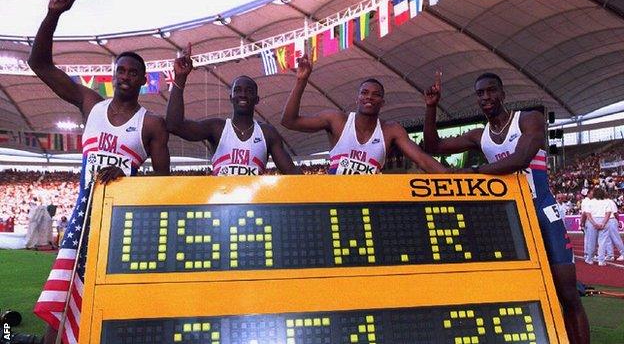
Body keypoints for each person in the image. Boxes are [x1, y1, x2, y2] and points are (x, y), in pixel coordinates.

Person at [28, 0, 170, 343]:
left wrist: (124, 184)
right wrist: (52, 15)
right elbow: (40, 64)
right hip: (82, 218)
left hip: (122, 228)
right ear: (113, 74)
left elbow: (163, 185)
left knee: (111, 308)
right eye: (120, 70)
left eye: (132, 72)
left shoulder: (150, 124)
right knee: (61, 306)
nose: (125, 76)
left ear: (142, 80)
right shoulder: (90, 103)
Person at [422, 72, 589, 344]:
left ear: (503, 94)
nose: (486, 97)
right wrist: (431, 108)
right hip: (510, 218)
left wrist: (473, 172)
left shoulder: (528, 119)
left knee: (567, 295)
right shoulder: (481, 135)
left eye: (491, 91)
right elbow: (434, 146)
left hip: (542, 211)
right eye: (480, 93)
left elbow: (520, 159)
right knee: (519, 293)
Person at [281, 55, 447, 174]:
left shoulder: (391, 130)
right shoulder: (337, 120)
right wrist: (301, 81)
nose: (369, 97)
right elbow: (289, 121)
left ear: (382, 103)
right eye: (365, 93)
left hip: (369, 202)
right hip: (335, 198)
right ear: (357, 99)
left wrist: (454, 179)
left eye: (376, 94)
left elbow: (422, 159)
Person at [166, 44, 300, 175]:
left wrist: (301, 80)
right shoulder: (217, 128)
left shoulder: (267, 133)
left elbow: (292, 173)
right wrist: (180, 78)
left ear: (257, 99)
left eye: (249, 91)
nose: (242, 94)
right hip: (220, 196)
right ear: (231, 97)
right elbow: (174, 125)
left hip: (253, 197)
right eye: (237, 90)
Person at [589, 188, 624, 265]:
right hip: (607, 220)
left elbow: (615, 213)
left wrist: (617, 221)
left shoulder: (610, 202)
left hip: (611, 220)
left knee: (615, 238)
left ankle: (623, 253)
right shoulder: (604, 202)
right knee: (607, 239)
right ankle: (610, 254)